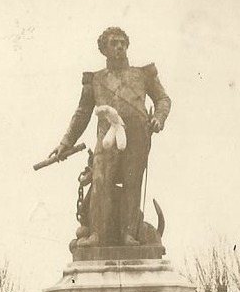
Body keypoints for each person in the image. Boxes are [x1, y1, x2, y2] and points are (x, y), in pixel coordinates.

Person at [45, 26, 171, 247]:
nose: (119, 46)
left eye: (123, 42)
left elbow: (163, 99)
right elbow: (82, 114)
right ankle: (97, 235)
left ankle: (129, 234)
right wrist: (66, 142)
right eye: (114, 43)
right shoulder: (95, 79)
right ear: (104, 49)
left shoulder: (142, 74)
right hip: (106, 139)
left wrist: (158, 119)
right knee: (101, 181)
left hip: (138, 138)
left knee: (133, 184)